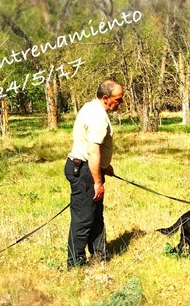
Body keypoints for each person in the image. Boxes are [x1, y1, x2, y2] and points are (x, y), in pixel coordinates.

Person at [64, 80, 124, 268]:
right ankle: (75, 264)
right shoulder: (98, 117)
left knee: (95, 215)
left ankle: (100, 255)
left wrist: (105, 166)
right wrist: (98, 181)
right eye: (118, 100)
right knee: (83, 219)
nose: (120, 103)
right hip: (84, 171)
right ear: (106, 98)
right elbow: (92, 150)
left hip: (88, 168)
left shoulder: (91, 107)